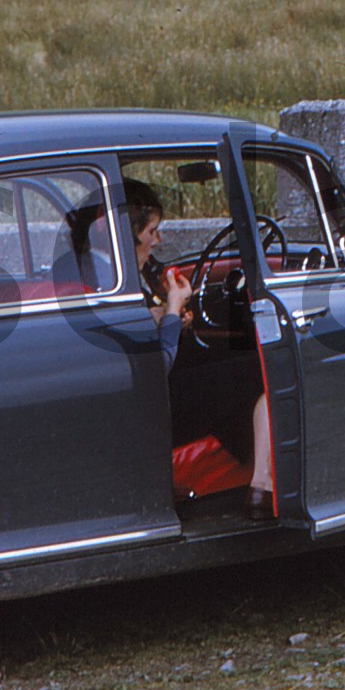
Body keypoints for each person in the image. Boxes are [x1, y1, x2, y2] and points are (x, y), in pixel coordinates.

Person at [123, 179, 275, 518]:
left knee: (235, 357)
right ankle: (261, 486)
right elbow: (159, 365)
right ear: (127, 233)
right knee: (257, 369)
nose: (158, 240)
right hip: (154, 401)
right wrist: (173, 312)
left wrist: (170, 318)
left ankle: (248, 475)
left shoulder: (119, 274)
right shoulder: (121, 277)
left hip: (147, 388)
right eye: (152, 231)